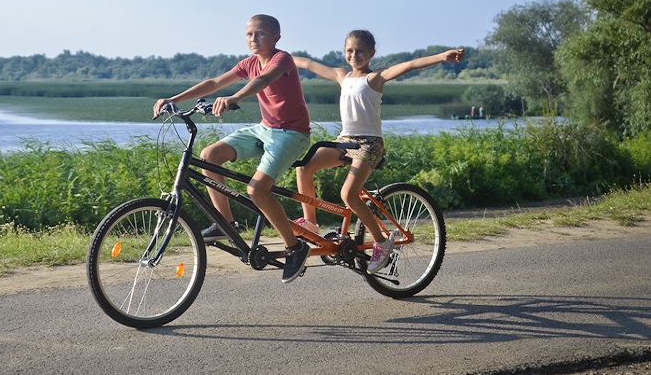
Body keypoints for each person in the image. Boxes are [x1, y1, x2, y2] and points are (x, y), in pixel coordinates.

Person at [153, 14, 312, 283]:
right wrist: (174, 99)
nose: (253, 38)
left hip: (292, 133)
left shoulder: (281, 59)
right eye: (249, 34)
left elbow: (263, 80)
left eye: (260, 34)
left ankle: (295, 247)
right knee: (209, 156)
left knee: (257, 189)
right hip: (265, 128)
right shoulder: (248, 63)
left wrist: (236, 97)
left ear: (276, 37)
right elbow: (215, 83)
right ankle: (225, 224)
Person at [293, 30, 464, 274]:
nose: (354, 55)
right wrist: (279, 56)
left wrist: (441, 57)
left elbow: (409, 65)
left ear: (372, 53)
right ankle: (310, 223)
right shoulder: (342, 76)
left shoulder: (375, 78)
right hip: (346, 140)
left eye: (360, 51)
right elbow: (308, 64)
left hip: (369, 144)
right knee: (304, 166)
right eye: (350, 51)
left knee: (348, 194)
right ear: (344, 53)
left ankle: (383, 243)